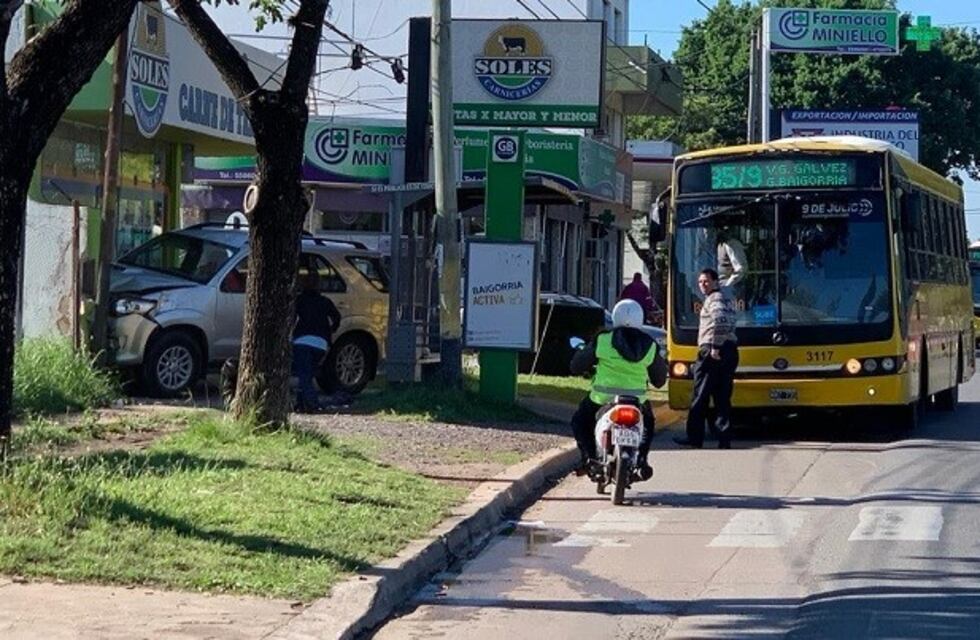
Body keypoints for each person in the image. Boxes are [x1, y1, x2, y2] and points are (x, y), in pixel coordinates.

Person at [569, 299, 668, 480]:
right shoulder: (650, 345)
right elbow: (660, 380)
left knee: (580, 421)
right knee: (649, 424)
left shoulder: (603, 340)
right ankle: (642, 461)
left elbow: (577, 365)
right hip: (637, 401)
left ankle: (590, 459)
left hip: (602, 399)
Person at [675, 268, 739, 449]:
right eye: (700, 282)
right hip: (730, 350)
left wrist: (715, 347)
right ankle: (724, 438)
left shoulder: (715, 299)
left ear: (716, 282)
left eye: (706, 281)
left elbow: (720, 321)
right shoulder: (727, 299)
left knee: (700, 395)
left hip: (712, 352)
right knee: (722, 396)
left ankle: (695, 438)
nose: (703, 285)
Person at [292, 270, 342, 413]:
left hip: (302, 341)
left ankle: (312, 404)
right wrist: (330, 331)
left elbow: (291, 319)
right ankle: (301, 404)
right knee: (308, 373)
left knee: (304, 375)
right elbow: (337, 318)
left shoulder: (299, 301)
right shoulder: (325, 301)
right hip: (321, 343)